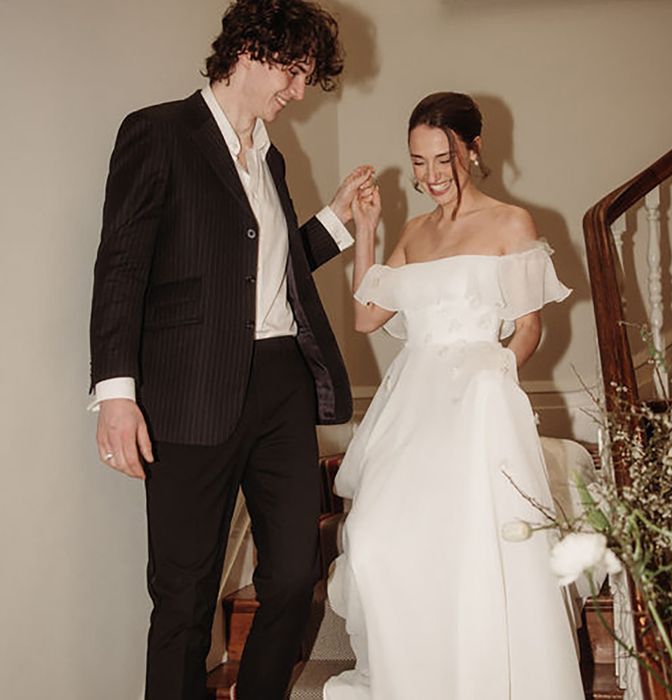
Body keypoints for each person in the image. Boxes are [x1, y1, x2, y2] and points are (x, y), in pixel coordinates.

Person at [88, 1, 377, 699]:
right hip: (188, 391)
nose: (298, 93)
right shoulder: (159, 133)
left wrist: (336, 222)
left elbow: (261, 272)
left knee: (292, 575)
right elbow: (121, 267)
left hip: (280, 384)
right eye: (294, 72)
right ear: (248, 49)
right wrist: (115, 396)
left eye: (307, 78)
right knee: (184, 596)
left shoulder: (269, 156)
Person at [324, 92, 584, 699]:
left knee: (470, 553)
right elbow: (366, 315)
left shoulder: (512, 223)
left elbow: (527, 329)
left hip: (479, 403)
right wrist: (367, 231)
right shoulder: (414, 231)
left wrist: (493, 377)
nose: (430, 176)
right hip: (412, 404)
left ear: (473, 150)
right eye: (418, 162)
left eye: (443, 159)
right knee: (373, 543)